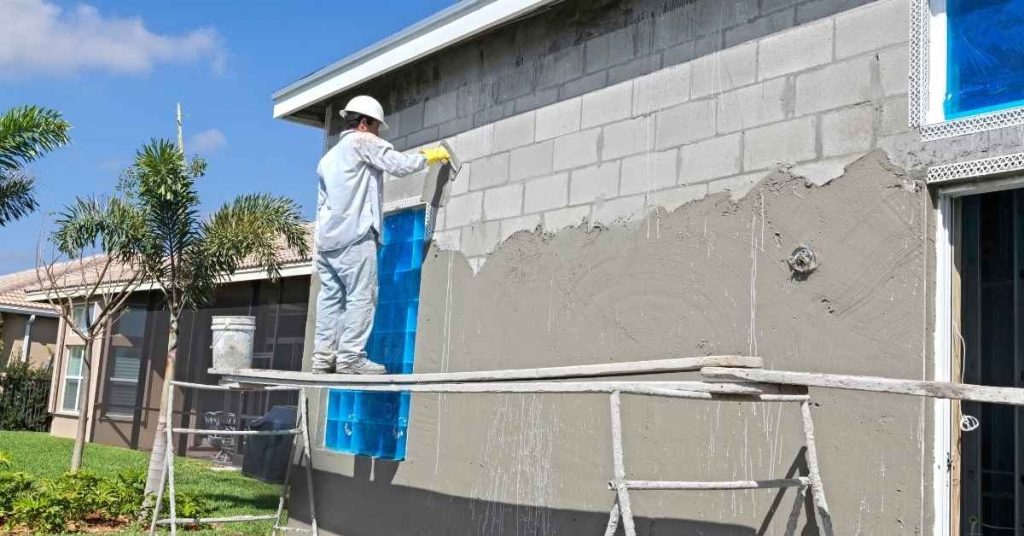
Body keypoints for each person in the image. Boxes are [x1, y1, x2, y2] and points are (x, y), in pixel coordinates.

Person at [313, 95, 450, 374]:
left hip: (328, 242)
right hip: (354, 236)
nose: (378, 133)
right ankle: (350, 358)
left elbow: (321, 204)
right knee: (362, 296)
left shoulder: (327, 159)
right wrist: (429, 156)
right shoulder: (362, 141)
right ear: (364, 123)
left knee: (330, 298)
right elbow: (398, 165)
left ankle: (323, 359)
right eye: (377, 127)